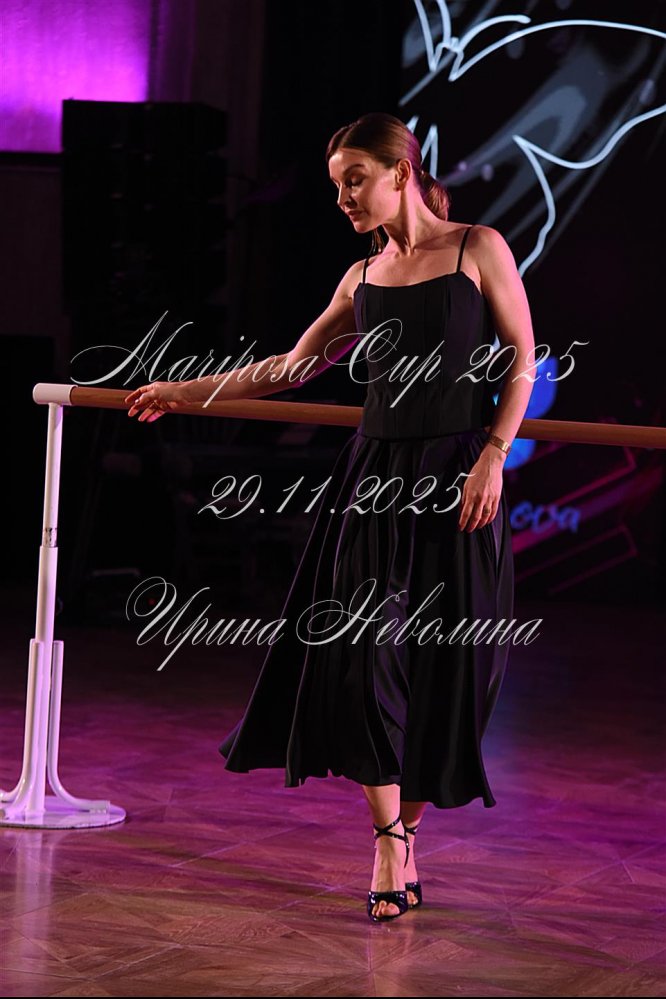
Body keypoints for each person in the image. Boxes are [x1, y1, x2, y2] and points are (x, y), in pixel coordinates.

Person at [125, 112, 535, 922]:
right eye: (336, 185)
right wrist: (180, 391)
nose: (343, 197)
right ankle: (387, 840)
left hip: (459, 480)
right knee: (361, 656)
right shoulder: (361, 278)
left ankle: (408, 831)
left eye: (355, 179)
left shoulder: (477, 248)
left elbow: (524, 359)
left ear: (400, 173)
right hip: (374, 483)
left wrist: (494, 453)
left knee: (454, 669)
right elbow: (287, 368)